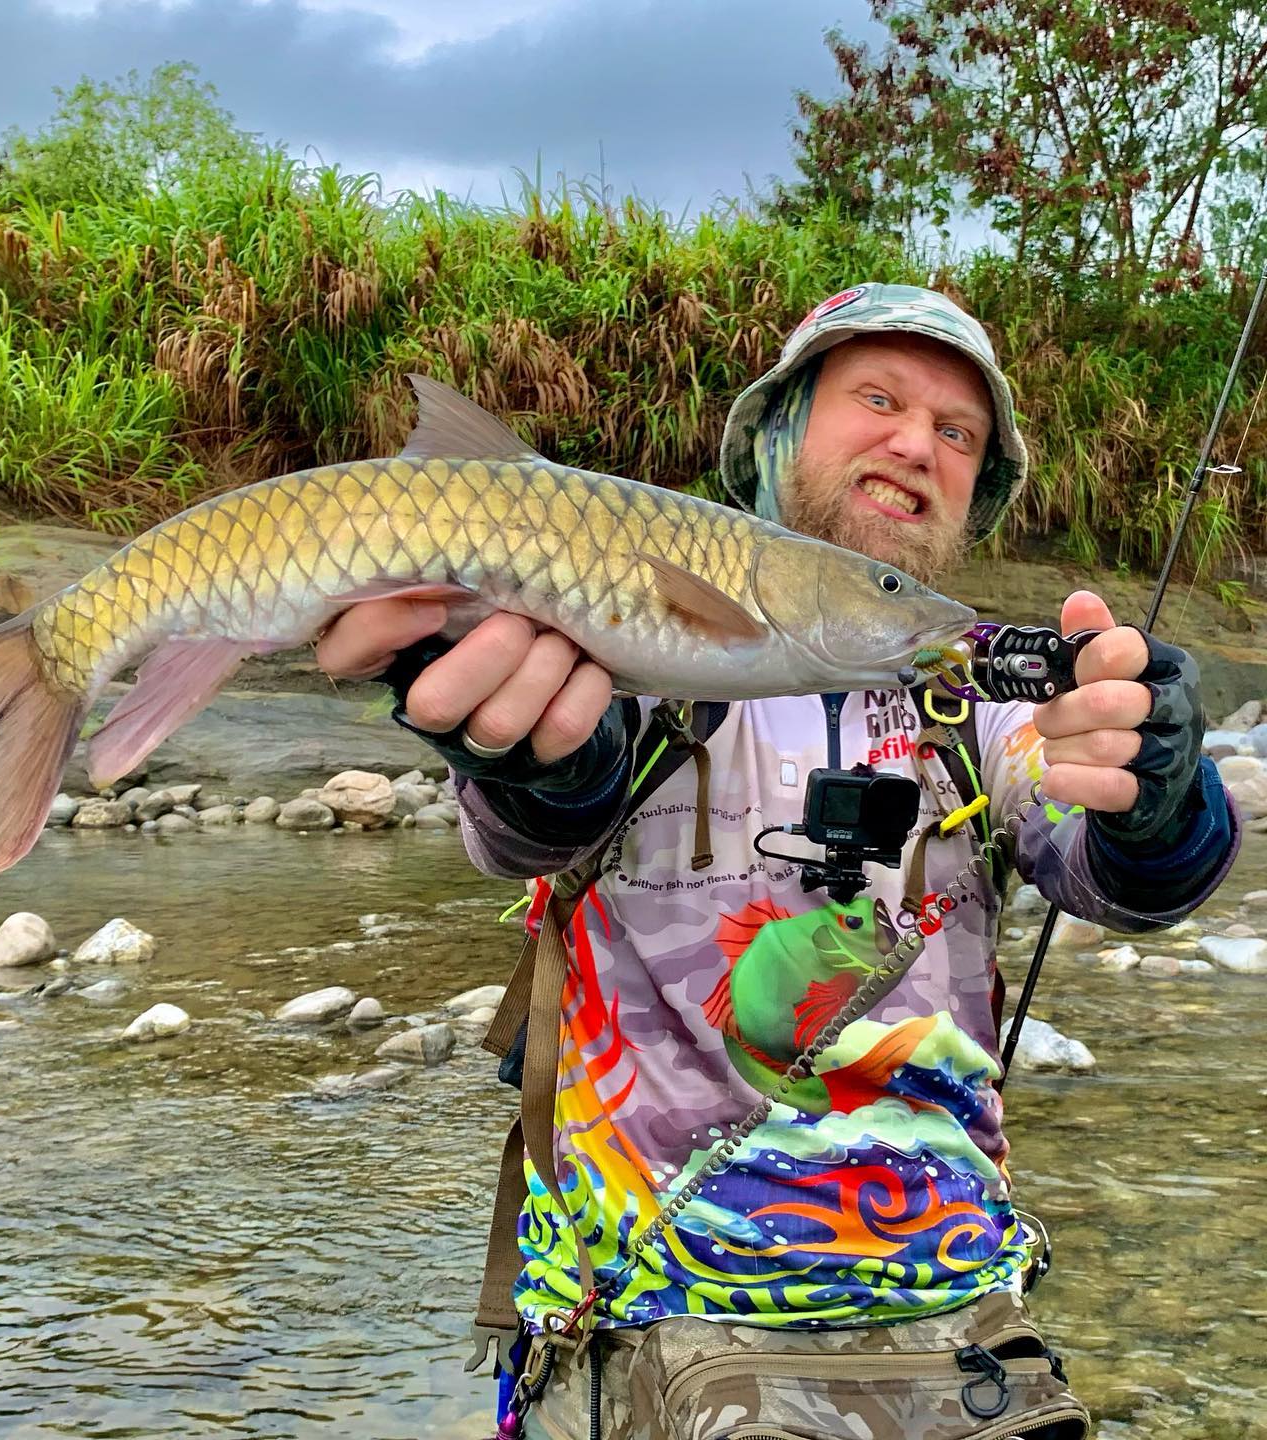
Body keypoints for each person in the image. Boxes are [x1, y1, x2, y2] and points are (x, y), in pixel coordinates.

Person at [315, 284, 1239, 1439]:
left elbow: (1129, 876)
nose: (918, 444)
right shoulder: (635, 624)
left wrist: (1159, 792)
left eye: (959, 434)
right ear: (780, 430)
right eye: (879, 399)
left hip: (953, 1341)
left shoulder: (981, 701)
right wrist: (541, 764)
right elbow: (535, 826)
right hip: (626, 1336)